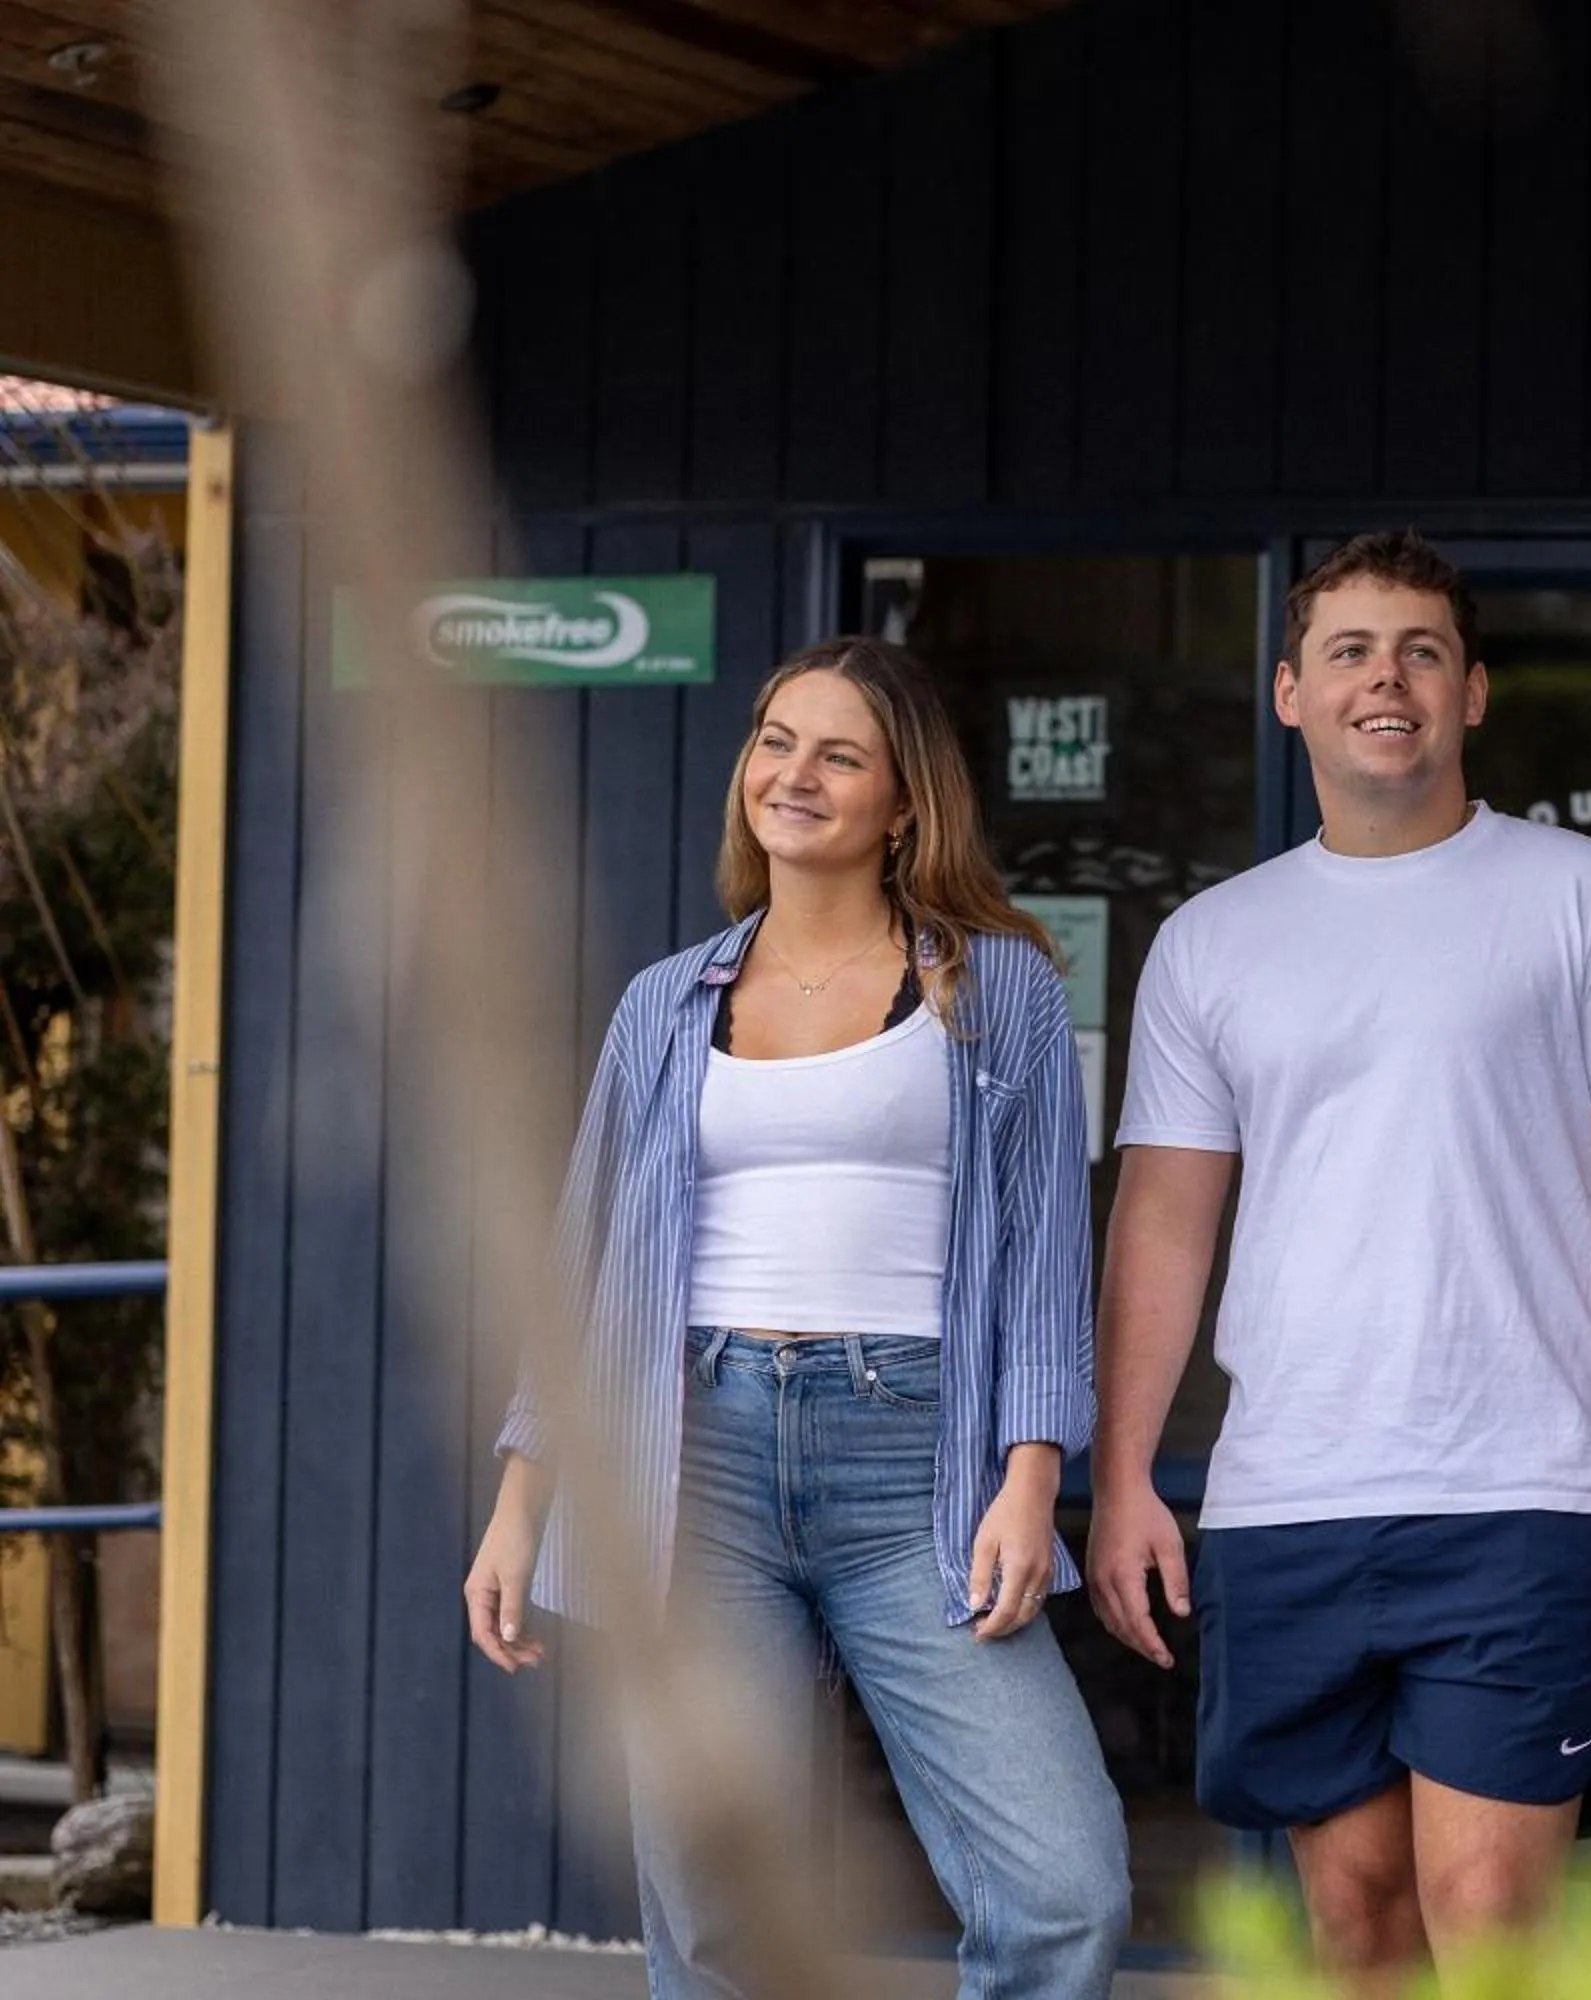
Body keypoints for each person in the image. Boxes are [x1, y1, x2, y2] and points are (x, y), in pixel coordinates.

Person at [1087, 529, 1591, 1988]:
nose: (1387, 680)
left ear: (1474, 694)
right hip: (1290, 1497)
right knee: (1360, 1921)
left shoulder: (1586, 897)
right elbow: (1165, 1220)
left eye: (1422, 652)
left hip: (1520, 1490)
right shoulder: (1214, 942)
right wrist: (1124, 1472)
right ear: (1291, 695)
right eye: (1351, 653)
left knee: (1488, 1916)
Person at [461, 637, 1130, 1999]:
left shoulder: (998, 988)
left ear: (904, 802)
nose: (796, 774)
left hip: (920, 1470)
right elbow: (583, 1266)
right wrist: (520, 1507)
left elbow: (1056, 1263)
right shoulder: (665, 1005)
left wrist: (1032, 1475)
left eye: (841, 753)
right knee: (716, 1916)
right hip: (691, 1459)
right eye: (776, 740)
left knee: (1064, 1888)